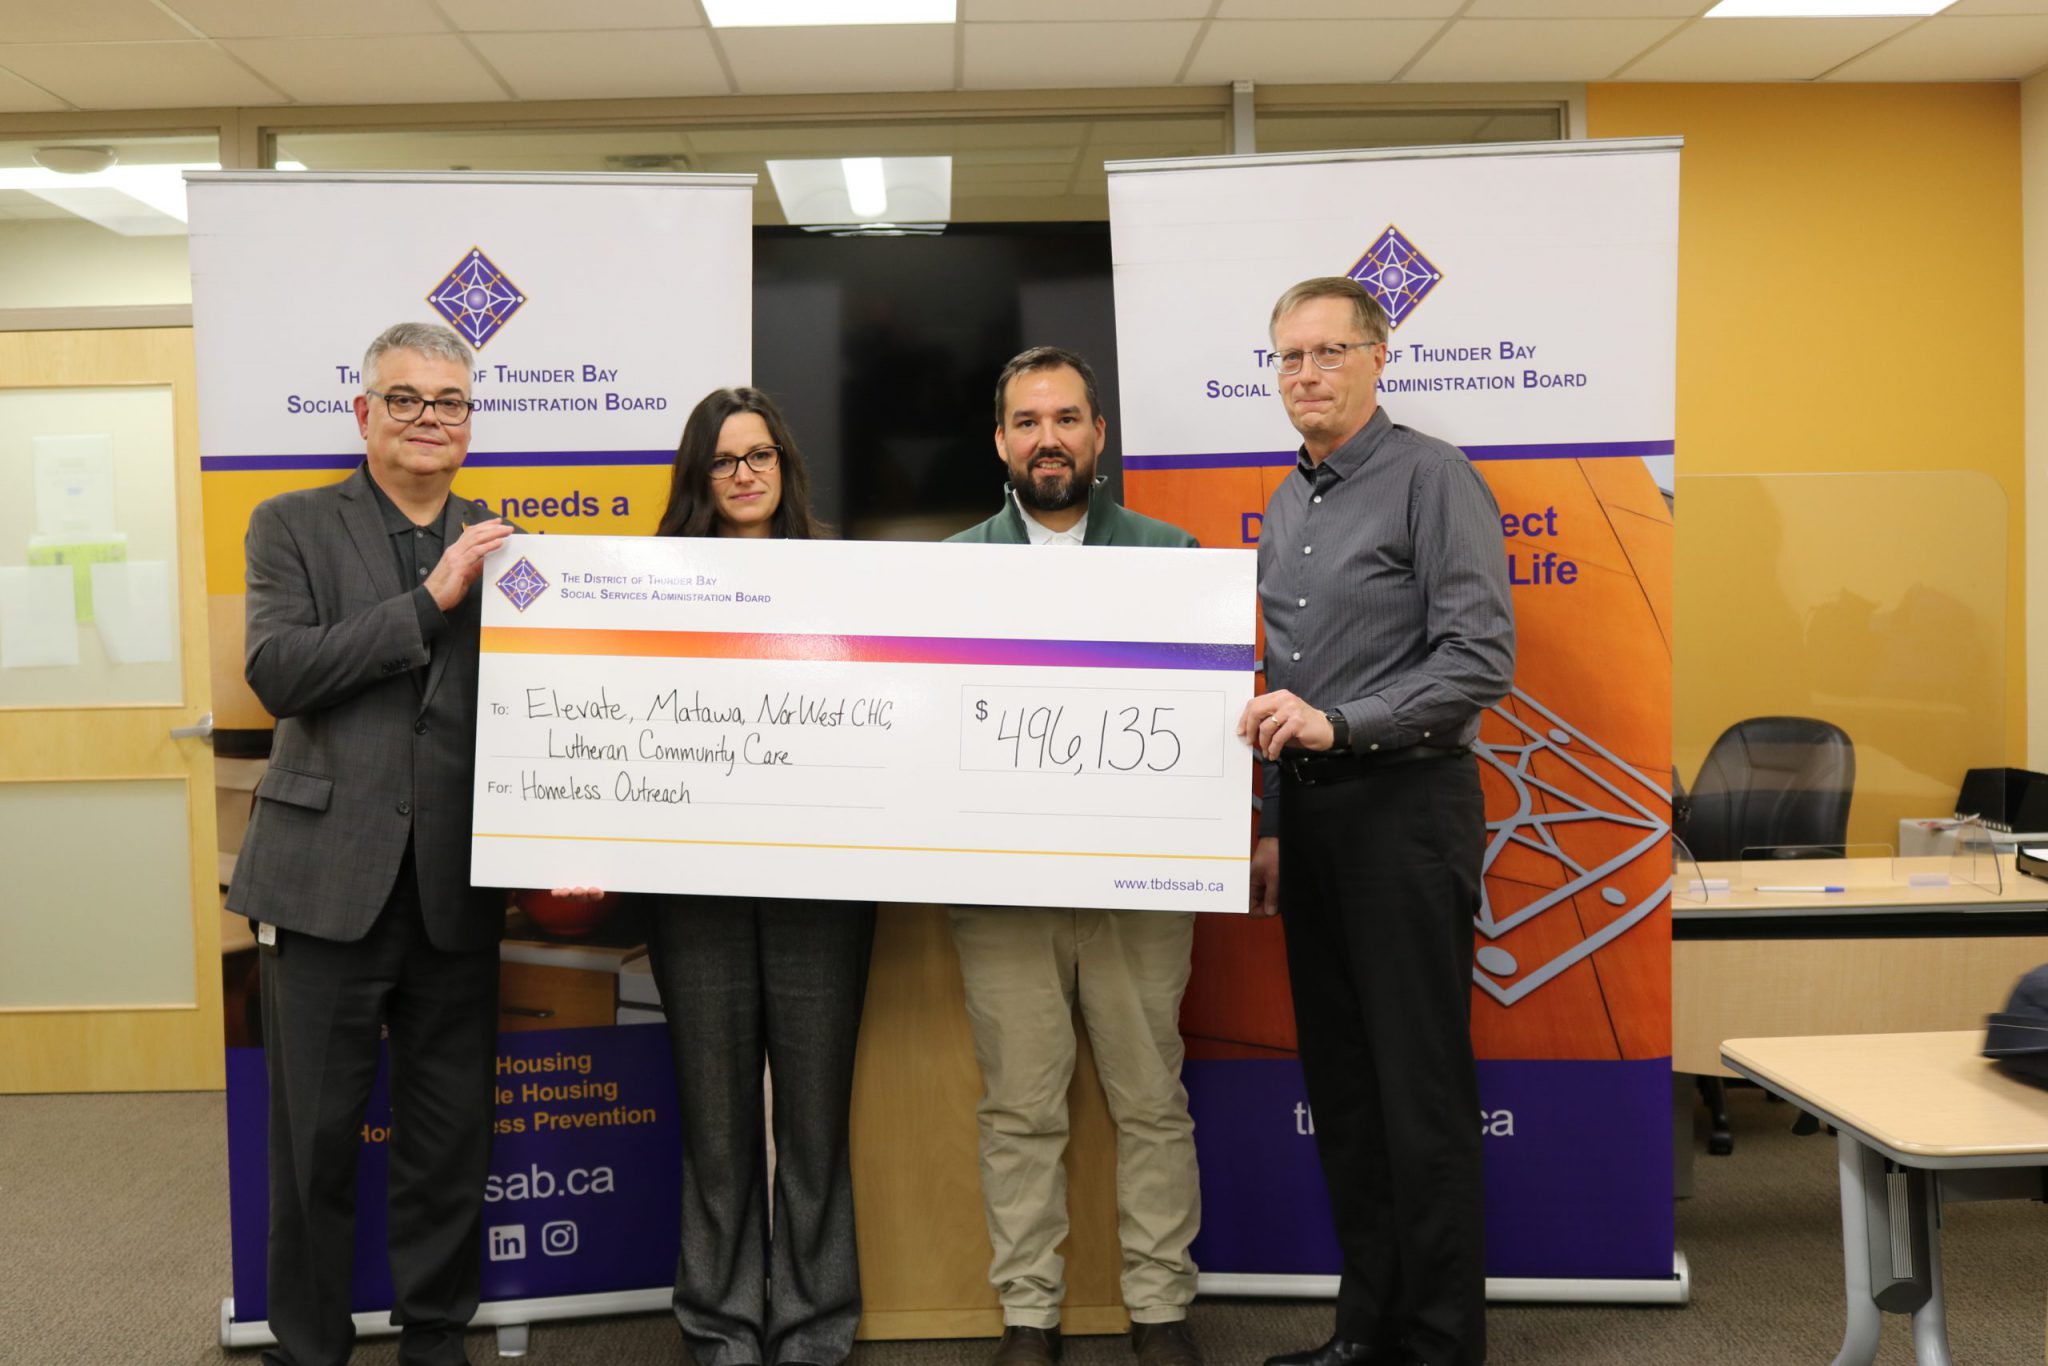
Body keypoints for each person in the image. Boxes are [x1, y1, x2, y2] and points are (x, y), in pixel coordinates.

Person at [1237, 278, 1515, 1366]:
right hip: (1310, 824)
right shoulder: (1286, 502)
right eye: (1287, 358)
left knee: (1419, 1093)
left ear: (1377, 355)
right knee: (1346, 1093)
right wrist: (1268, 823)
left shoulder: (1432, 478)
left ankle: (1441, 1343)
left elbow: (1477, 659)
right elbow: (1284, 678)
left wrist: (1340, 725)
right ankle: (1366, 1332)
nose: (1304, 374)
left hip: (1406, 809)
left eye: (1326, 352)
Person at [230, 320, 516, 1366]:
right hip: (323, 881)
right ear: (363, 413)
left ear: (469, 422)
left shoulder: (509, 546)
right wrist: (430, 602)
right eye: (407, 398)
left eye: (449, 401)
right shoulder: (290, 526)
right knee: (312, 1140)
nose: (429, 418)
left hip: (455, 887)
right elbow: (279, 671)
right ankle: (309, 1345)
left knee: (448, 1141)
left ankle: (435, 1336)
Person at [948, 346, 1206, 1366]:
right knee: (1018, 1104)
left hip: (1139, 883)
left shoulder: (1172, 554)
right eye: (1025, 421)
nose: (1045, 437)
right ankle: (1027, 1314)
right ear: (999, 441)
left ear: (1097, 435)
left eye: (1064, 418)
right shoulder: (949, 569)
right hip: (1002, 885)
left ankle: (1160, 1309)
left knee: (1151, 1097)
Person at [641, 387, 877, 1366]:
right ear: (699, 477)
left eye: (760, 455)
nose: (744, 473)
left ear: (785, 466)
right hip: (691, 886)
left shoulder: (847, 578)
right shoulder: (646, 582)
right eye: (724, 458)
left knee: (815, 1118)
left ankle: (815, 1322)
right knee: (717, 1114)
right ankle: (722, 1320)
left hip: (820, 883)